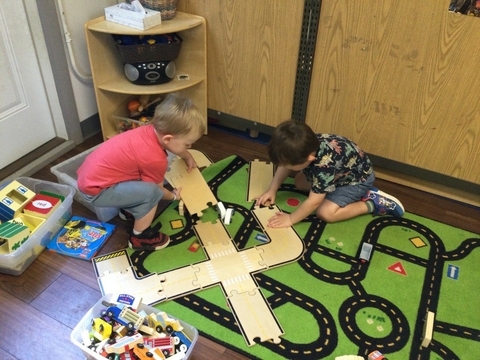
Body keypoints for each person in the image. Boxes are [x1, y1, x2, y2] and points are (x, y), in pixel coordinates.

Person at [77, 93, 205, 250]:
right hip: (97, 191)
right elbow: (157, 190)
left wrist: (187, 155)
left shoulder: (148, 130)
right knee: (153, 193)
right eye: (187, 145)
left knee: (140, 179)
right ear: (167, 139)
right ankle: (140, 237)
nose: (188, 147)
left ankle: (129, 209)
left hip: (91, 178)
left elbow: (174, 145)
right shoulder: (155, 159)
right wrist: (173, 196)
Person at [255, 120, 404, 228]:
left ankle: (372, 203)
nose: (284, 167)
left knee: (325, 213)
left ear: (310, 158)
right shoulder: (306, 143)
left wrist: (291, 219)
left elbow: (314, 202)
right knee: (299, 183)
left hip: (356, 181)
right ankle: (330, 192)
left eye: (289, 166)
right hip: (340, 172)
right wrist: (272, 189)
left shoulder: (324, 167)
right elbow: (285, 164)